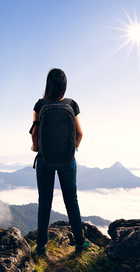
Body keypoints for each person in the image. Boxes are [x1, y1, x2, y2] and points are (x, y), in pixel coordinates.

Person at [30, 68, 89, 255]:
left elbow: (35, 132)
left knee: (45, 202)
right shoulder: (72, 105)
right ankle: (80, 243)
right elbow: (80, 133)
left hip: (45, 159)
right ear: (64, 86)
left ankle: (41, 246)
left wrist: (35, 147)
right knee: (71, 200)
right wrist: (73, 149)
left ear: (48, 84)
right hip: (67, 160)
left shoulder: (40, 104)